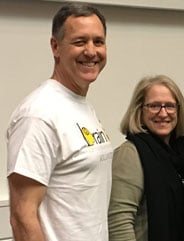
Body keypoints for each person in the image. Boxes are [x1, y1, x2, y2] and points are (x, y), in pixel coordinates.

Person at [6, 3, 112, 241]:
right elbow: (22, 217)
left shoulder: (80, 105)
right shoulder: (39, 114)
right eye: (79, 41)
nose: (91, 51)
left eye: (98, 41)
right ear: (55, 46)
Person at [108, 75, 184, 241]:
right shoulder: (130, 154)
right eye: (154, 106)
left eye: (169, 106)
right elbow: (119, 222)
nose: (163, 113)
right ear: (139, 110)